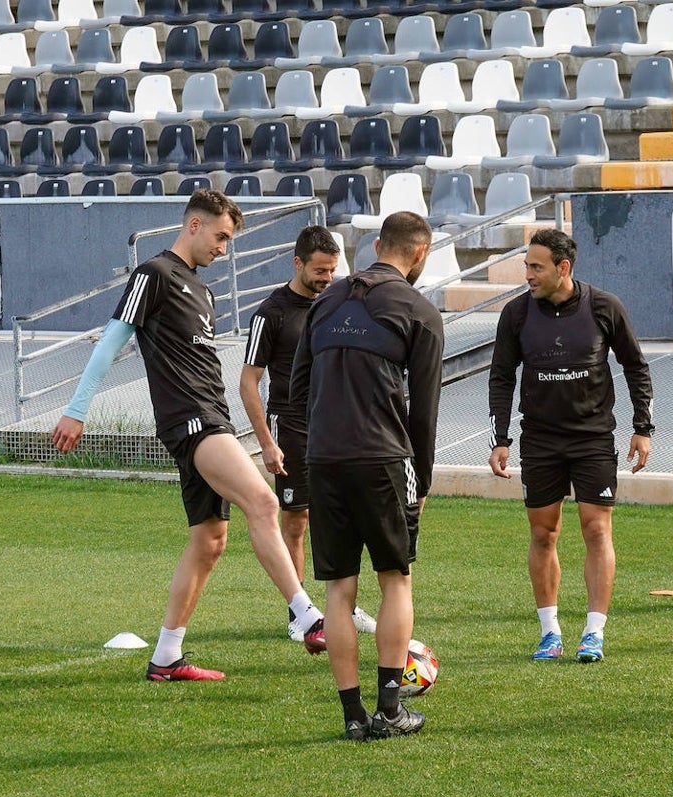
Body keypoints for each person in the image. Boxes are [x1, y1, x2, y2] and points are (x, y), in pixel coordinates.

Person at [51, 190, 327, 682]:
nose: (224, 247)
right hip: (192, 420)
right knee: (264, 504)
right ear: (194, 225)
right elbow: (112, 341)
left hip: (210, 416)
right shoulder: (154, 274)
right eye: (220, 236)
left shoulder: (203, 290)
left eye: (230, 240)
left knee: (210, 540)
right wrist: (76, 411)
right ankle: (307, 616)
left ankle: (165, 658)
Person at [290, 211, 444, 741]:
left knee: (338, 590)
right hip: (383, 459)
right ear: (419, 254)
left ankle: (353, 718)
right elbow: (424, 413)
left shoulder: (325, 301)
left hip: (324, 458)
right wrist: (420, 482)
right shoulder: (419, 310)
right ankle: (391, 710)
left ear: (378, 245)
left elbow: (297, 388)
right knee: (395, 578)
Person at [488, 229, 653, 664]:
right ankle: (549, 632)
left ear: (563, 268)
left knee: (597, 530)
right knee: (544, 533)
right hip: (539, 440)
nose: (527, 275)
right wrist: (500, 439)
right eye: (526, 266)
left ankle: (594, 633)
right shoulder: (516, 315)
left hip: (593, 438)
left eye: (536, 267)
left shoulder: (604, 307)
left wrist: (643, 427)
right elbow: (502, 377)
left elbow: (636, 367)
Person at [239, 225, 377, 643]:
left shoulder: (336, 303)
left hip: (338, 425)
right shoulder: (270, 313)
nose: (326, 278)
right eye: (319, 270)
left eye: (332, 270)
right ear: (297, 263)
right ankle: (300, 614)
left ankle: (344, 607)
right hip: (294, 427)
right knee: (297, 521)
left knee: (344, 517)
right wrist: (266, 442)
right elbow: (249, 382)